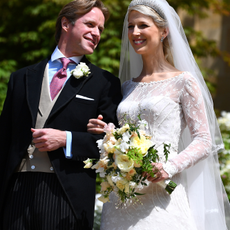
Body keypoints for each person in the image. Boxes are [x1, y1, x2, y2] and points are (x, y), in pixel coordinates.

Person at [87, 0, 230, 229]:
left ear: (164, 31)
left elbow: (204, 140)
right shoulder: (126, 88)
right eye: (131, 26)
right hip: (122, 199)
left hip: (163, 198)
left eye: (143, 25)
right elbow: (124, 133)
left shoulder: (183, 81)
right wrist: (107, 134)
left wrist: (168, 167)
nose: (135, 33)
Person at [0, 0, 122, 229]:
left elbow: (111, 146)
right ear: (66, 24)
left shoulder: (105, 83)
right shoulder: (22, 77)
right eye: (90, 24)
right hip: (15, 192)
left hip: (66, 197)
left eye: (100, 29)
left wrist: (66, 139)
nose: (96, 33)